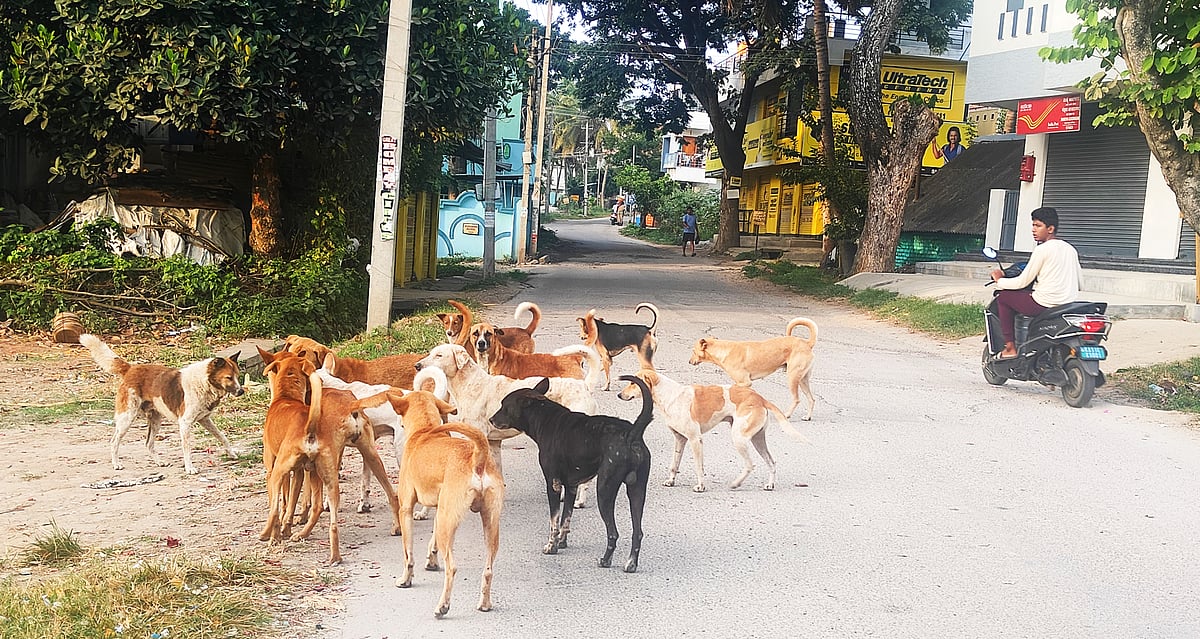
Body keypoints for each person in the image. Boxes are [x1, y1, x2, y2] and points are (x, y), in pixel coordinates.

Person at [990, 206, 1083, 359]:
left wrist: (1000, 280)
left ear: (1050, 228)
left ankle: (1010, 347)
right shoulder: (1070, 249)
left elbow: (1022, 282)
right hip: (1067, 304)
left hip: (1044, 304)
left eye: (1038, 226)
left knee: (1004, 297)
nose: (1034, 229)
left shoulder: (1042, 250)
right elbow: (1080, 283)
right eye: (1033, 225)